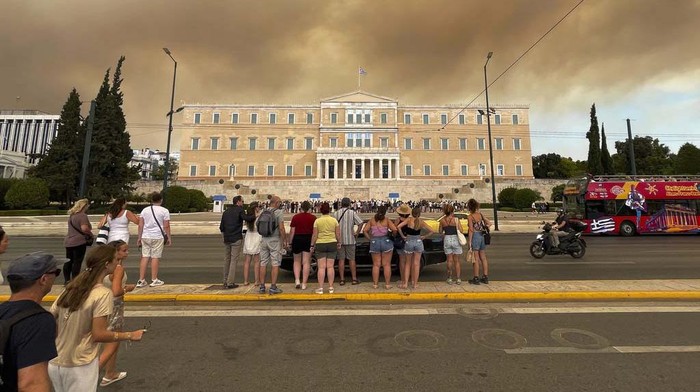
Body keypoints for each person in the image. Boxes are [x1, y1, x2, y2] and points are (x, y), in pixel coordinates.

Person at [48, 246, 145, 392]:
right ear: (107, 264)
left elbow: (50, 318)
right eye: (115, 260)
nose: (117, 263)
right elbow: (99, 334)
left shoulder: (70, 288)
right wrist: (130, 335)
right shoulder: (102, 294)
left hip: (56, 361)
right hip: (81, 363)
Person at [0, 251, 65, 392]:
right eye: (56, 272)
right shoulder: (38, 321)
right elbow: (32, 385)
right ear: (43, 279)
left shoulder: (3, 311)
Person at [98, 240, 135, 387]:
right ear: (116, 252)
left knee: (110, 339)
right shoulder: (118, 268)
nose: (127, 253)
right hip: (115, 306)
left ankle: (110, 372)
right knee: (113, 340)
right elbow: (116, 291)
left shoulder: (105, 266)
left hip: (104, 304)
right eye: (124, 250)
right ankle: (103, 373)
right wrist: (127, 288)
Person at [219, 196, 255, 289]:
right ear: (238, 202)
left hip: (227, 238)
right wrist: (256, 215)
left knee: (227, 260)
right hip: (236, 238)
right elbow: (247, 218)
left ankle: (225, 280)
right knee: (233, 261)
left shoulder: (226, 211)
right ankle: (230, 282)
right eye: (242, 201)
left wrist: (224, 237)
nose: (243, 203)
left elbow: (221, 227)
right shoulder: (240, 210)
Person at [136, 192, 171, 288]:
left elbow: (140, 224)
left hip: (145, 236)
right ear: (161, 200)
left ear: (151, 200)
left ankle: (141, 279)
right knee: (155, 257)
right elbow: (166, 226)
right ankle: (154, 279)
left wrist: (139, 237)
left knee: (145, 256)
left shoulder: (145, 210)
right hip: (157, 236)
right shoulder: (164, 211)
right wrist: (169, 237)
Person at [396, 207, 435, 289]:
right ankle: (415, 284)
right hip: (418, 242)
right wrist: (424, 236)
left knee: (407, 263)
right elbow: (432, 230)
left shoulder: (409, 220)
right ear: (419, 214)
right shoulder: (421, 221)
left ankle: (405, 283)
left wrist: (403, 236)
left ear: (412, 213)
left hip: (409, 241)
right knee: (416, 264)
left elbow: (398, 227)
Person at [363, 205, 398, 289]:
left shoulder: (372, 220)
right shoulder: (387, 220)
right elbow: (395, 229)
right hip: (386, 241)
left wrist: (370, 239)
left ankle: (375, 284)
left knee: (376, 265)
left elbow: (365, 230)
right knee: (386, 265)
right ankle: (387, 284)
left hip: (374, 242)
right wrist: (392, 235)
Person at [258, 195, 287, 295]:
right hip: (274, 240)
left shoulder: (263, 212)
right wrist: (284, 240)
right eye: (279, 202)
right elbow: (281, 228)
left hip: (264, 239)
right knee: (275, 263)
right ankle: (273, 286)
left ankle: (262, 286)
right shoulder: (278, 212)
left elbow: (258, 224)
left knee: (263, 263)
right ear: (276, 203)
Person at [310, 202, 340, 294]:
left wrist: (312, 245)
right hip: (332, 243)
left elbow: (315, 235)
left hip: (320, 243)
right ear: (329, 210)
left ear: (321, 210)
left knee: (321, 267)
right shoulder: (334, 220)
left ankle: (321, 288)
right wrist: (339, 242)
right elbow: (337, 233)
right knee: (330, 267)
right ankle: (331, 287)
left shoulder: (317, 221)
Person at [333, 197, 364, 286]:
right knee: (352, 260)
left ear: (341, 204)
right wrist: (357, 233)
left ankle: (342, 279)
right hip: (350, 239)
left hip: (339, 240)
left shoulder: (336, 214)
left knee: (341, 260)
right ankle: (354, 279)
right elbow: (360, 222)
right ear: (349, 204)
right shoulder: (352, 213)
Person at [64, 198, 93, 284]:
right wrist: (90, 233)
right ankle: (75, 280)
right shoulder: (82, 216)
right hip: (79, 241)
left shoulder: (72, 215)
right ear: (84, 206)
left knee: (69, 261)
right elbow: (84, 228)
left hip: (69, 241)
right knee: (77, 261)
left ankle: (66, 280)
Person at [289, 201, 316, 290]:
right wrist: (313, 244)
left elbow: (292, 231)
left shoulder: (295, 217)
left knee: (296, 261)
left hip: (297, 238)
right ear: (309, 208)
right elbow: (314, 233)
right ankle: (304, 283)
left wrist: (290, 242)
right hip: (308, 239)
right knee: (306, 262)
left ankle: (297, 280)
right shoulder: (313, 218)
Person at [467, 199, 491, 285]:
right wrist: (485, 227)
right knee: (483, 258)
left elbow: (471, 230)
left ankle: (476, 277)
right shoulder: (480, 214)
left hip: (475, 236)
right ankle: (485, 276)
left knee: (475, 258)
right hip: (482, 236)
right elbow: (489, 223)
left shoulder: (470, 216)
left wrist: (469, 242)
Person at [439, 204, 463, 284]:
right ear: (452, 211)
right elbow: (461, 230)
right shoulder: (455, 220)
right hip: (455, 238)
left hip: (447, 238)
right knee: (457, 261)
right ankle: (458, 278)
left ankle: (449, 278)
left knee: (449, 260)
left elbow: (440, 231)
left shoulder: (442, 220)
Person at [242, 202, 262, 286]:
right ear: (256, 208)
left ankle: (246, 280)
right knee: (257, 261)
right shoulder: (258, 217)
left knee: (247, 261)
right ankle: (257, 281)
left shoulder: (248, 217)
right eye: (258, 207)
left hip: (248, 237)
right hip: (256, 237)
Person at [393, 204, 412, 288]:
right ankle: (410, 279)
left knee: (402, 262)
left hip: (400, 241)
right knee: (410, 262)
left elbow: (394, 230)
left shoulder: (398, 220)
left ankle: (403, 279)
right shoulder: (410, 220)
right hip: (409, 240)